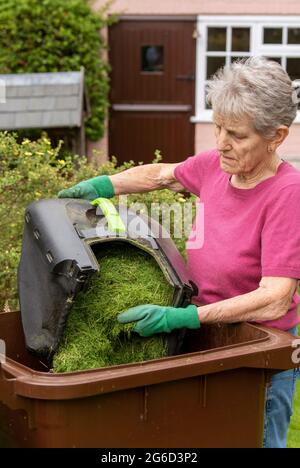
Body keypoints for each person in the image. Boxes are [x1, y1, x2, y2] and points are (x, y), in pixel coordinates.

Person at [58, 57, 300, 448]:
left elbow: (275, 300)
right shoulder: (215, 166)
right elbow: (160, 175)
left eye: (236, 135)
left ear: (276, 135)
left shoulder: (288, 194)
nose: (221, 142)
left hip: (259, 356)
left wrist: (182, 316)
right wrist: (104, 184)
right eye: (218, 126)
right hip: (206, 338)